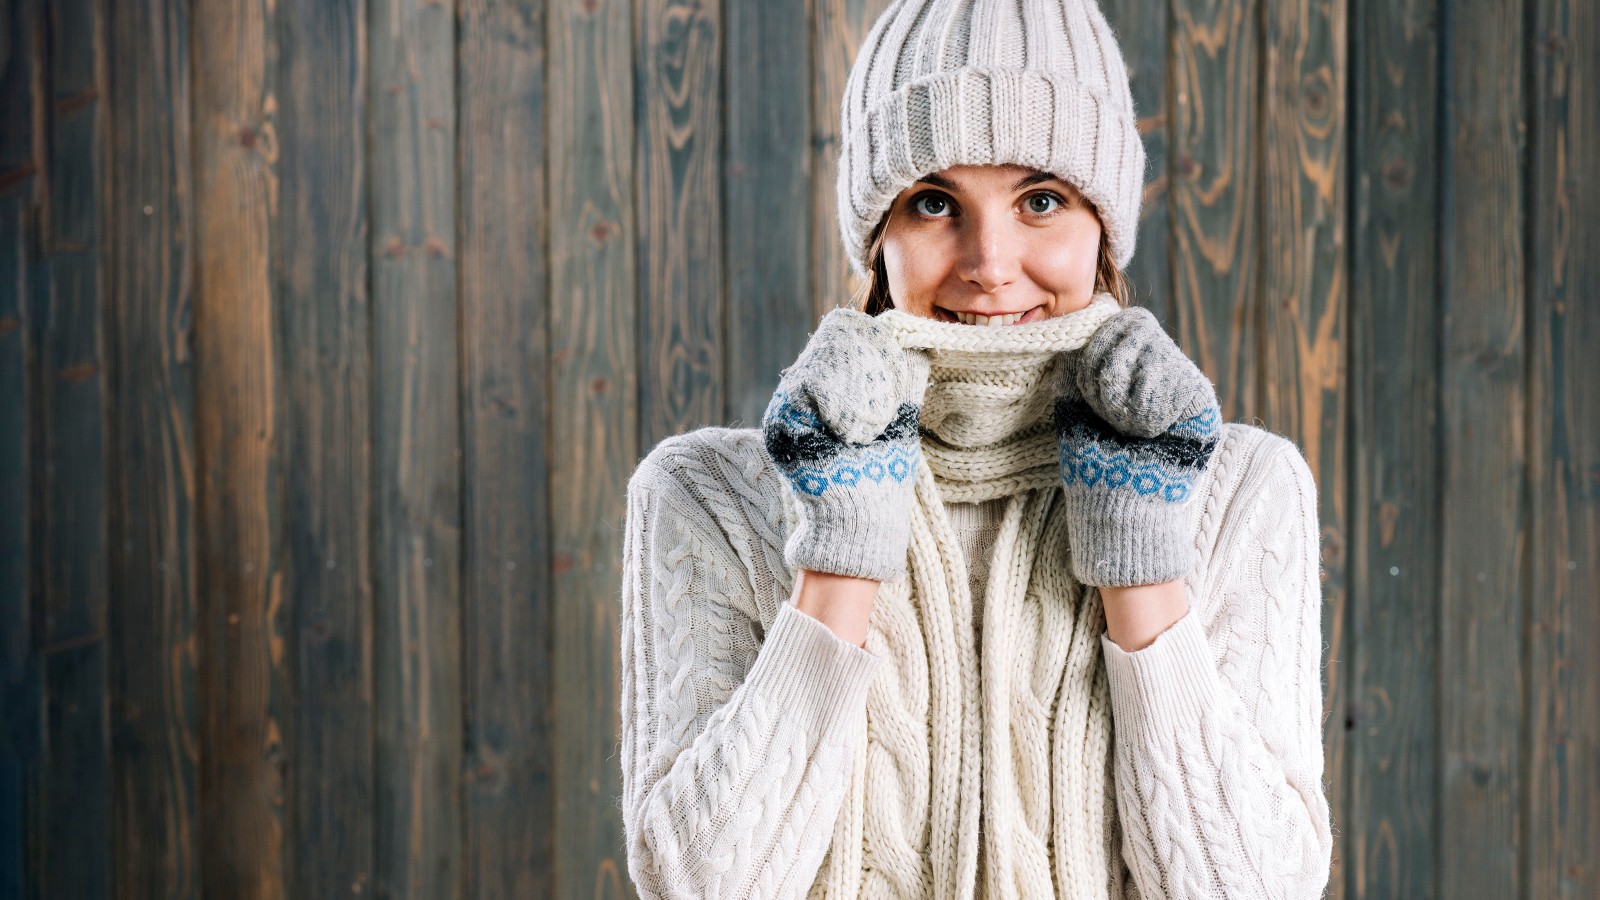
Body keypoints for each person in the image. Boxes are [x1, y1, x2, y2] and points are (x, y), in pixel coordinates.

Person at [618, 0, 1334, 896]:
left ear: (1103, 225)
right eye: (934, 202)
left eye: (1042, 199)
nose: (990, 262)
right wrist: (839, 556)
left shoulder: (1236, 490)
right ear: (878, 238)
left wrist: (1143, 563)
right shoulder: (707, 496)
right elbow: (701, 885)